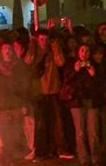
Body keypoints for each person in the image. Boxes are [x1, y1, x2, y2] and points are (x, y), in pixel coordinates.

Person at [24, 29, 71, 159]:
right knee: (41, 124)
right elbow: (28, 60)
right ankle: (40, 152)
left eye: (46, 39)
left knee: (57, 122)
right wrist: (32, 44)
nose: (44, 42)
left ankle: (59, 149)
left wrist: (55, 45)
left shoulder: (52, 52)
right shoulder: (34, 53)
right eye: (41, 39)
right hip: (39, 92)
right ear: (37, 39)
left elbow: (61, 62)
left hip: (53, 91)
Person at [62, 44, 100, 166]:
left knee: (93, 131)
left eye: (87, 50)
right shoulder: (72, 65)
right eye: (82, 50)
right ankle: (84, 159)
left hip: (91, 101)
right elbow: (66, 81)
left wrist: (94, 75)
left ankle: (96, 158)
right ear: (78, 52)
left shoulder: (94, 65)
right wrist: (75, 71)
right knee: (80, 131)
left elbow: (100, 85)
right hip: (77, 102)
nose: (84, 53)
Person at [0, 42, 27, 164]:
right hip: (1, 106)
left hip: (16, 105)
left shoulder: (19, 67)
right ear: (1, 51)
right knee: (3, 134)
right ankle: (3, 158)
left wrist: (23, 104)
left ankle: (10, 157)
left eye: (9, 48)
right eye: (5, 48)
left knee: (14, 134)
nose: (7, 50)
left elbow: (23, 87)